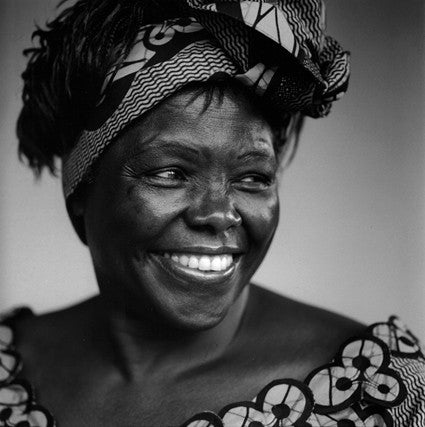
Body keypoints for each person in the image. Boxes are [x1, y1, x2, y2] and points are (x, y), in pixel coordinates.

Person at [0, 0, 423, 426]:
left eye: (253, 177)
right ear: (80, 188)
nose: (220, 215)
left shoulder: (376, 391)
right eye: (170, 173)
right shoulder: (7, 364)